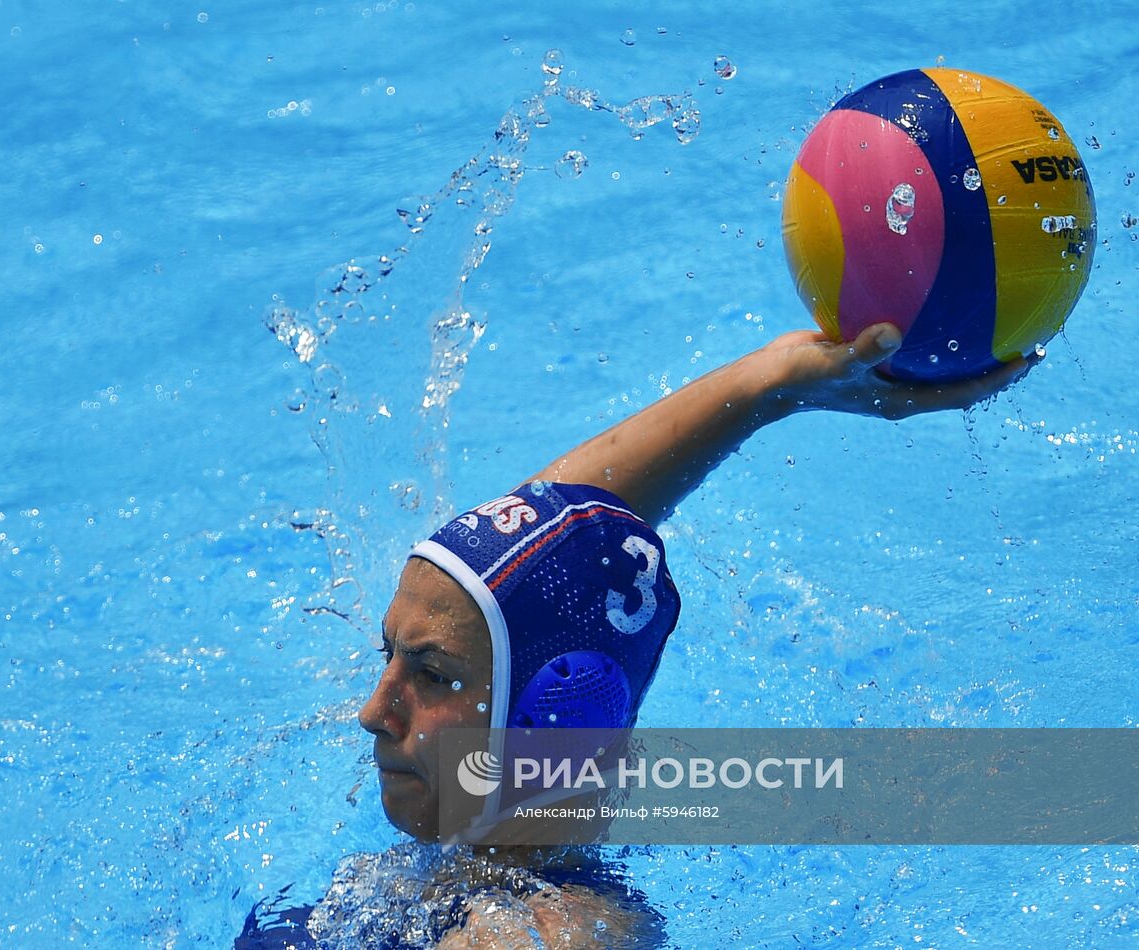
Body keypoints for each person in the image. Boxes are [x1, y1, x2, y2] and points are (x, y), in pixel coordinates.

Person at [240, 322, 1035, 948]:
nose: (374, 712)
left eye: (433, 674)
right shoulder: (474, 867)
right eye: (389, 658)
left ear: (556, 723)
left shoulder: (542, 933)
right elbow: (548, 550)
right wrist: (769, 384)